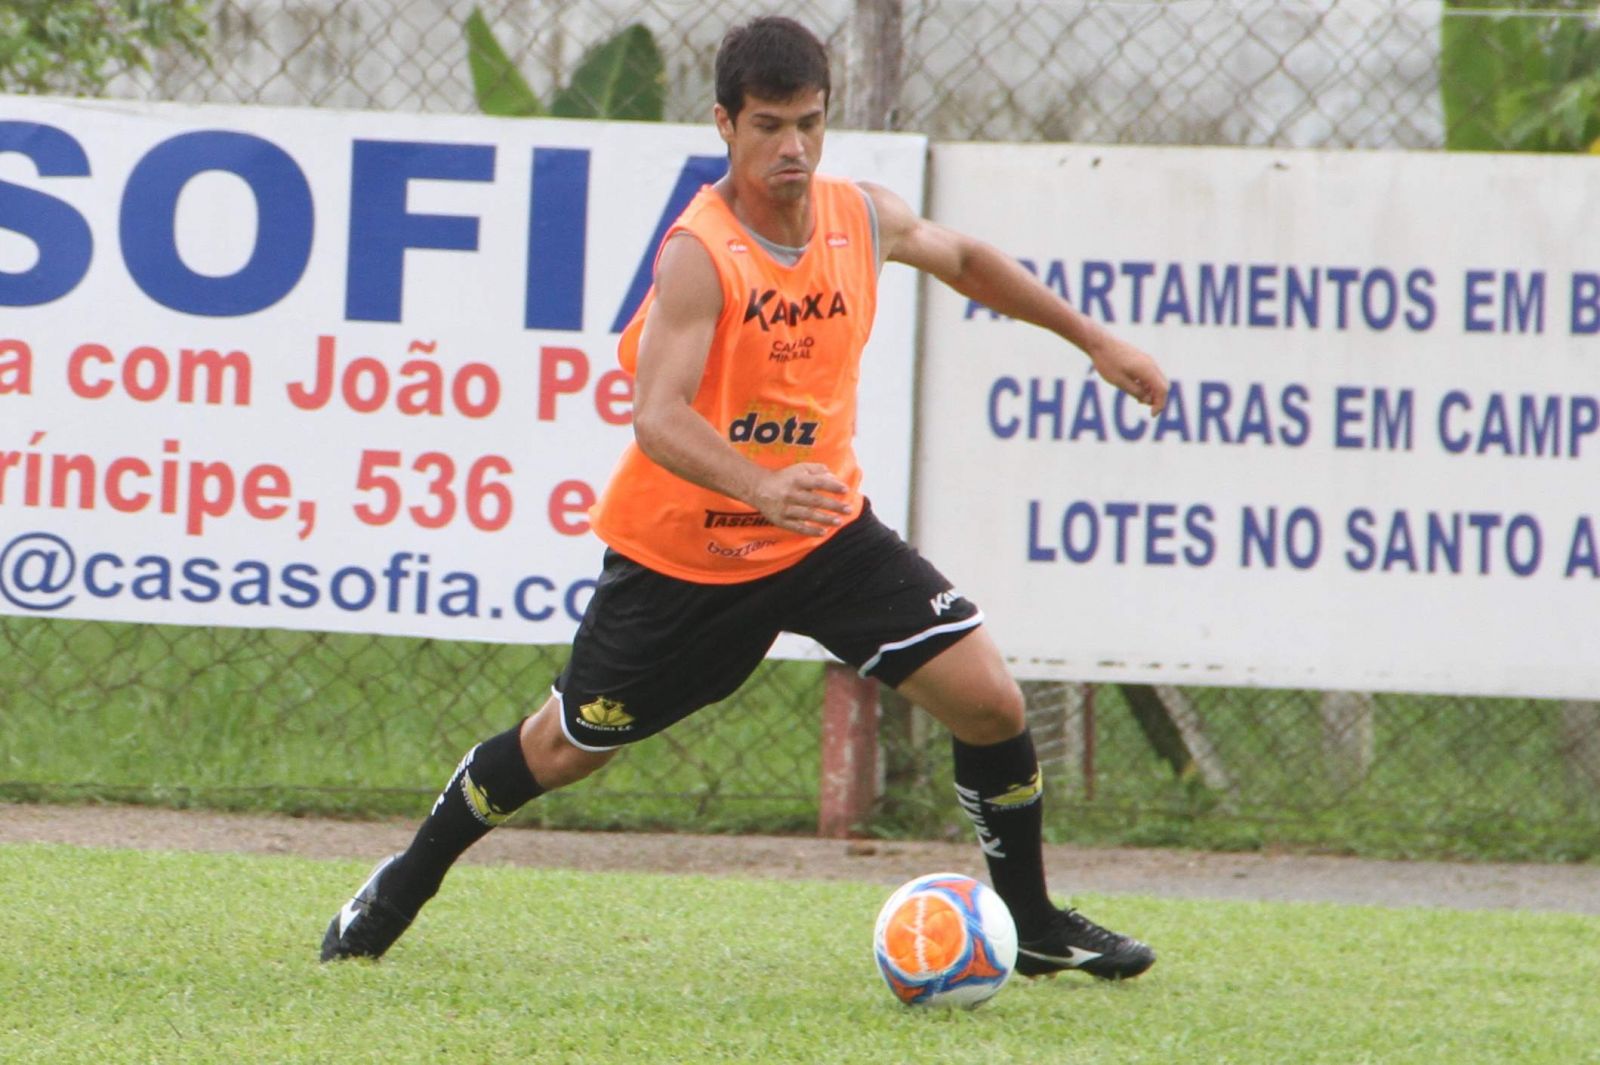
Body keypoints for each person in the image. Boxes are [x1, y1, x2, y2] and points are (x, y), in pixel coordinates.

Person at [322, 15, 1168, 982]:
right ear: (725, 124)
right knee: (564, 749)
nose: (792, 147)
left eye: (809, 122)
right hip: (687, 556)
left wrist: (1095, 340)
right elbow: (657, 417)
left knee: (989, 703)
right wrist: (761, 486)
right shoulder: (701, 251)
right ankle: (400, 885)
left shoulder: (861, 217)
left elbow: (965, 259)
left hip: (820, 532)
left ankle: (1033, 922)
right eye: (768, 125)